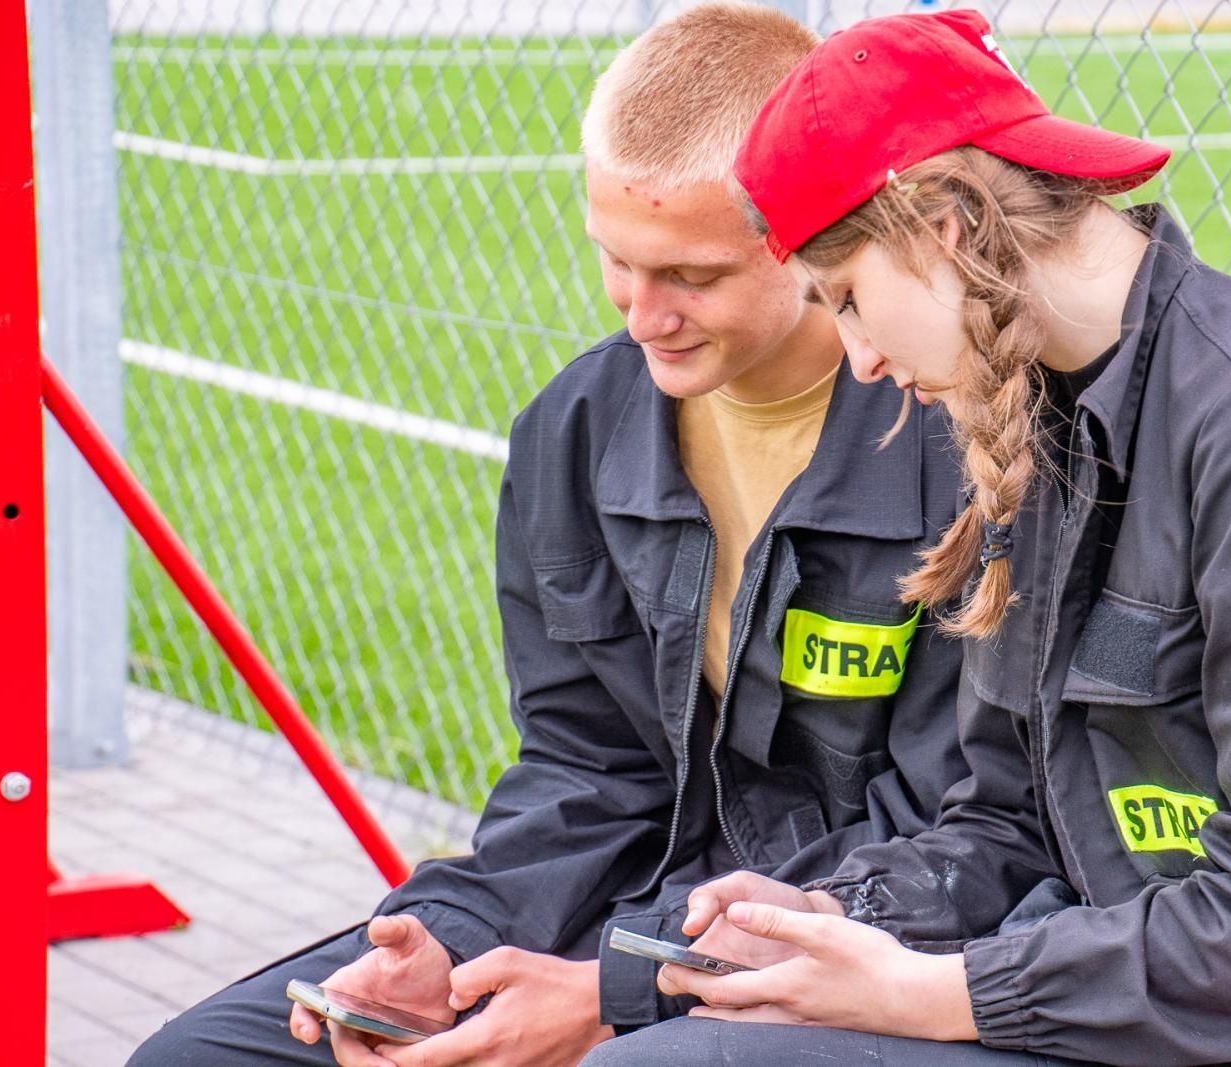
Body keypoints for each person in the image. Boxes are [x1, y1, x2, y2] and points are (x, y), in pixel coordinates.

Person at [581, 9, 1231, 1065]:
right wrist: (834, 913)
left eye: (847, 299)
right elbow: (1007, 824)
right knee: (688, 1024)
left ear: (937, 225)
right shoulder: (1032, 420)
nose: (859, 361)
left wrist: (935, 993)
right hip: (1119, 1007)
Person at [126, 5, 974, 1066]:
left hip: (859, 936)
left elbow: (960, 834)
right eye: (616, 259)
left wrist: (623, 991)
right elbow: (586, 766)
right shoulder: (577, 429)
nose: (639, 314)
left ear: (812, 238)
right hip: (637, 904)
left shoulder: (962, 448)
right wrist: (447, 941)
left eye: (691, 276)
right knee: (204, 1055)